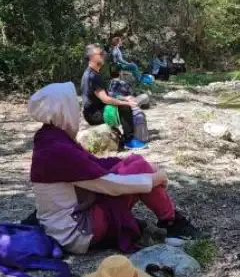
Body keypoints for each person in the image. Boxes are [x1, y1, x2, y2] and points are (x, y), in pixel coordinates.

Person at [27, 82, 203, 255]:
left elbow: (94, 165)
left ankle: (169, 218)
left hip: (67, 221)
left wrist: (140, 165)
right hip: (74, 232)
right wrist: (154, 178)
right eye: (73, 106)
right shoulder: (57, 150)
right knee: (140, 169)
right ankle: (172, 221)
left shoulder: (49, 138)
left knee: (136, 162)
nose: (77, 112)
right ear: (62, 110)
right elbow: (110, 185)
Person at [81, 43, 146, 150]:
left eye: (103, 53)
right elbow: (106, 99)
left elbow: (106, 94)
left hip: (97, 111)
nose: (104, 55)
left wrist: (125, 98)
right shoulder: (92, 76)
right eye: (101, 53)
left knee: (124, 102)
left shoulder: (93, 73)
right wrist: (127, 103)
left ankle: (130, 136)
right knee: (125, 107)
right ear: (91, 57)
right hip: (94, 115)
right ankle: (129, 140)